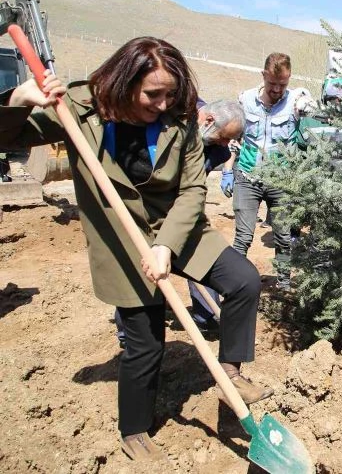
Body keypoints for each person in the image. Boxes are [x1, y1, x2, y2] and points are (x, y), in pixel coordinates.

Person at [0, 37, 268, 461]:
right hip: (121, 237)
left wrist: (165, 245)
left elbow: (194, 187)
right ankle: (135, 430)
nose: (163, 104)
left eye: (171, 94)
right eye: (152, 94)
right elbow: (7, 136)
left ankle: (230, 372)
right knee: (146, 340)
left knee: (244, 280)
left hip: (176, 225)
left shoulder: (180, 117)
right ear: (125, 81)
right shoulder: (78, 107)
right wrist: (21, 97)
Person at [114, 98, 246, 346]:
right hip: (146, 211)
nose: (226, 144)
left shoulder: (213, 144)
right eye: (224, 137)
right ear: (208, 121)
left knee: (201, 256)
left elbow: (195, 185)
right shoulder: (171, 117)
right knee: (138, 265)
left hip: (183, 212)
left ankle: (206, 318)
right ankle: (127, 331)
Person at [227, 52, 314, 290]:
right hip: (247, 177)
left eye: (283, 84)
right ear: (263, 75)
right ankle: (234, 284)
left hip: (281, 181)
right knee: (243, 237)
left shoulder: (296, 102)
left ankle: (283, 283)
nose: (277, 89)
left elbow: (313, 117)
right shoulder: (245, 100)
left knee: (284, 237)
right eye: (272, 83)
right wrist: (228, 166)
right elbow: (233, 134)